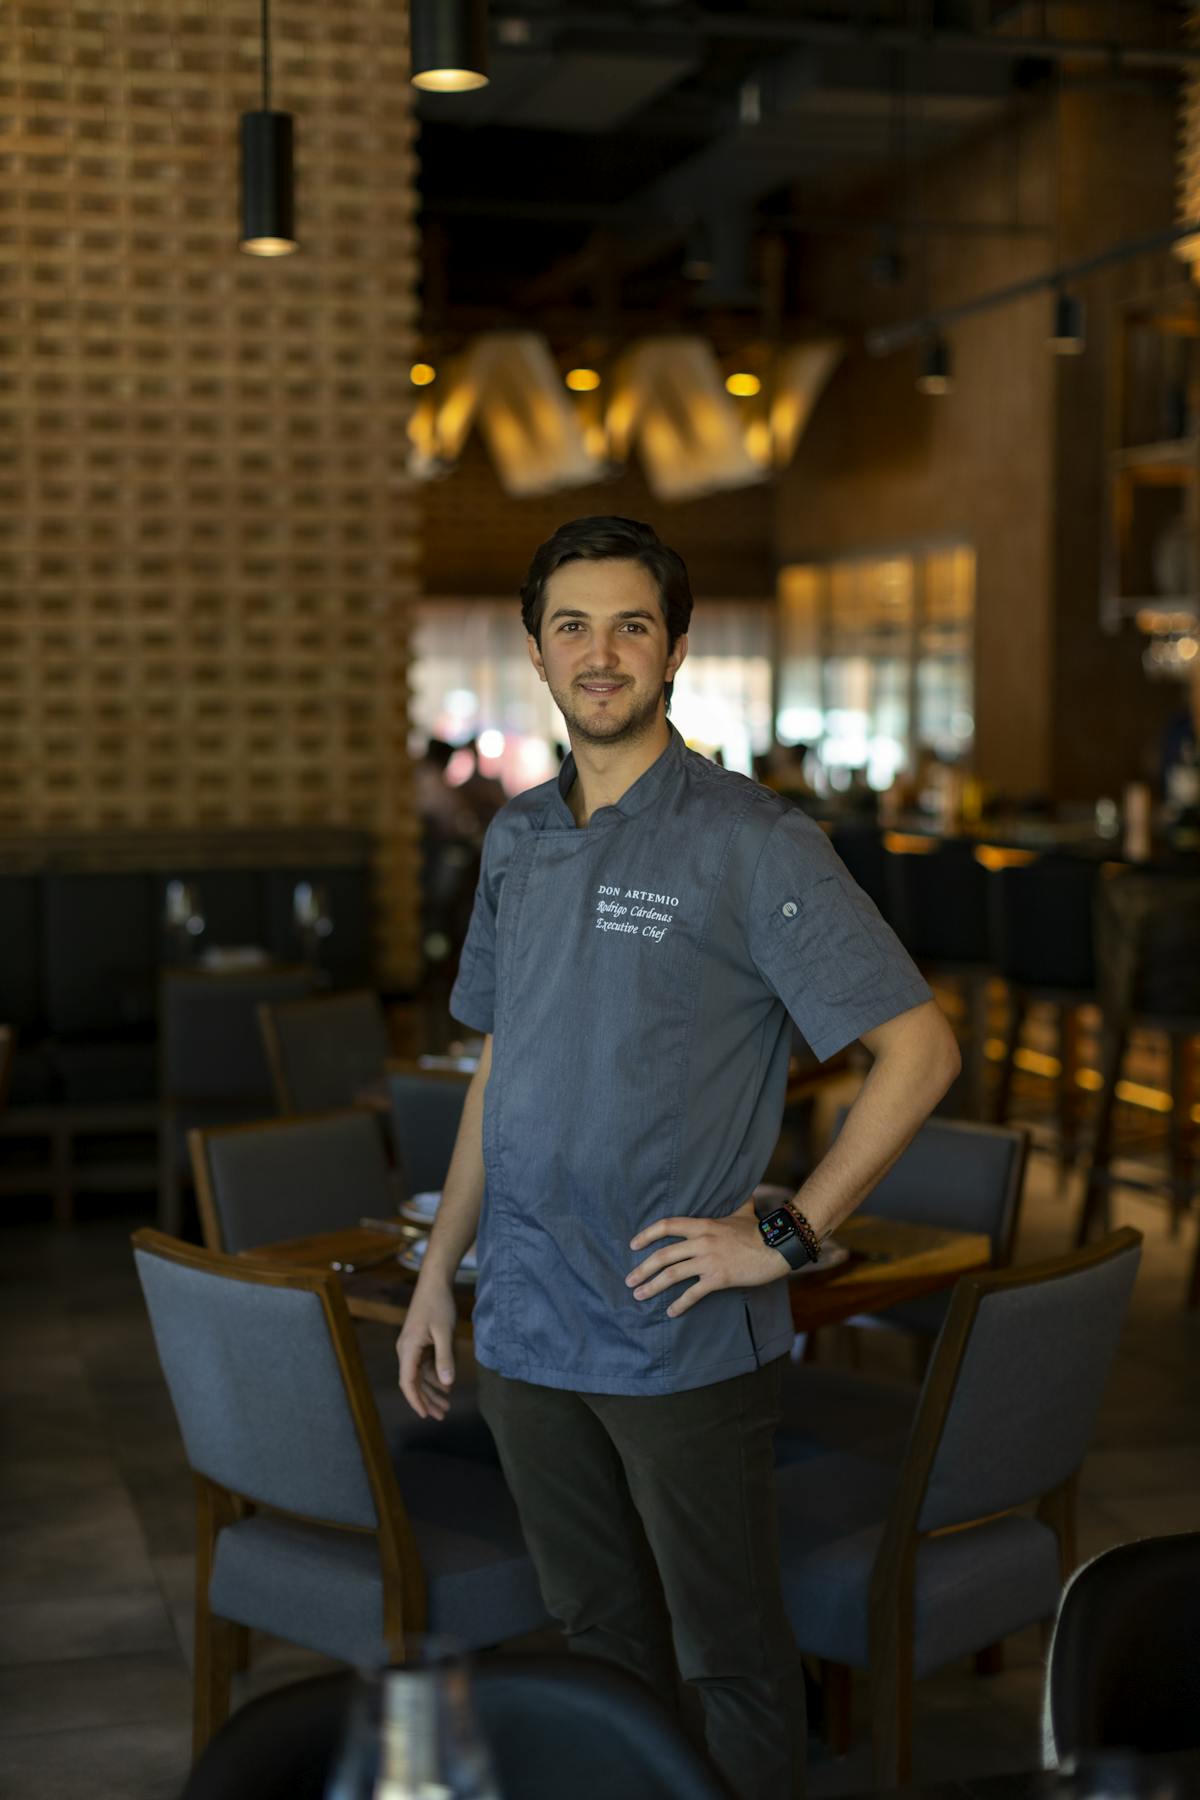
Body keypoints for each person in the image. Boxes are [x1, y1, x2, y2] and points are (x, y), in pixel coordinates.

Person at [397, 516, 961, 1800]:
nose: (601, 653)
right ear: (537, 653)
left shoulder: (752, 843)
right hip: (528, 1321)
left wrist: (783, 1233)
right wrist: (443, 1274)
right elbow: (504, 1071)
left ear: (676, 652)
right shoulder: (518, 841)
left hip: (672, 1329)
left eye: (631, 626)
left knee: (731, 1659)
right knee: (597, 1641)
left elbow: (920, 1053)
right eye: (573, 626)